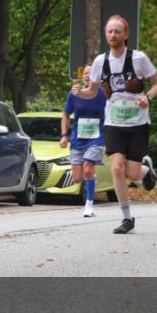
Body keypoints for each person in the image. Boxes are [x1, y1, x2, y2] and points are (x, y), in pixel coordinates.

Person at [77, 15, 157, 234]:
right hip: (113, 122)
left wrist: (148, 98)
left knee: (132, 174)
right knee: (116, 167)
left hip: (137, 123)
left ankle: (145, 170)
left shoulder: (139, 58)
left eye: (117, 31)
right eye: (109, 32)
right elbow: (92, 92)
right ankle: (127, 218)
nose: (112, 35)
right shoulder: (99, 62)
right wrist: (80, 92)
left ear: (126, 34)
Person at [60, 65, 108, 218]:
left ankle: (89, 205)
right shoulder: (74, 94)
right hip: (77, 139)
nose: (87, 75)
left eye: (91, 73)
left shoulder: (102, 94)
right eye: (85, 73)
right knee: (77, 178)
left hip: (96, 138)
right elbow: (66, 115)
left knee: (88, 168)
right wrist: (64, 135)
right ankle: (92, 179)